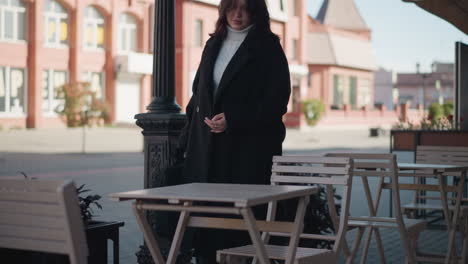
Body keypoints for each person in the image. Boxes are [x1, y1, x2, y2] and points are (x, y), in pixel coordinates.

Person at [178, 0, 291, 262]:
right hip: (206, 151)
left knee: (238, 230)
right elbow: (198, 95)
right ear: (223, 9)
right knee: (205, 228)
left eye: (245, 8)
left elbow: (277, 101)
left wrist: (235, 119)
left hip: (246, 154)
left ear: (256, 11)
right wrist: (185, 141)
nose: (237, 14)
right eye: (231, 7)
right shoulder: (212, 44)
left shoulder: (267, 47)